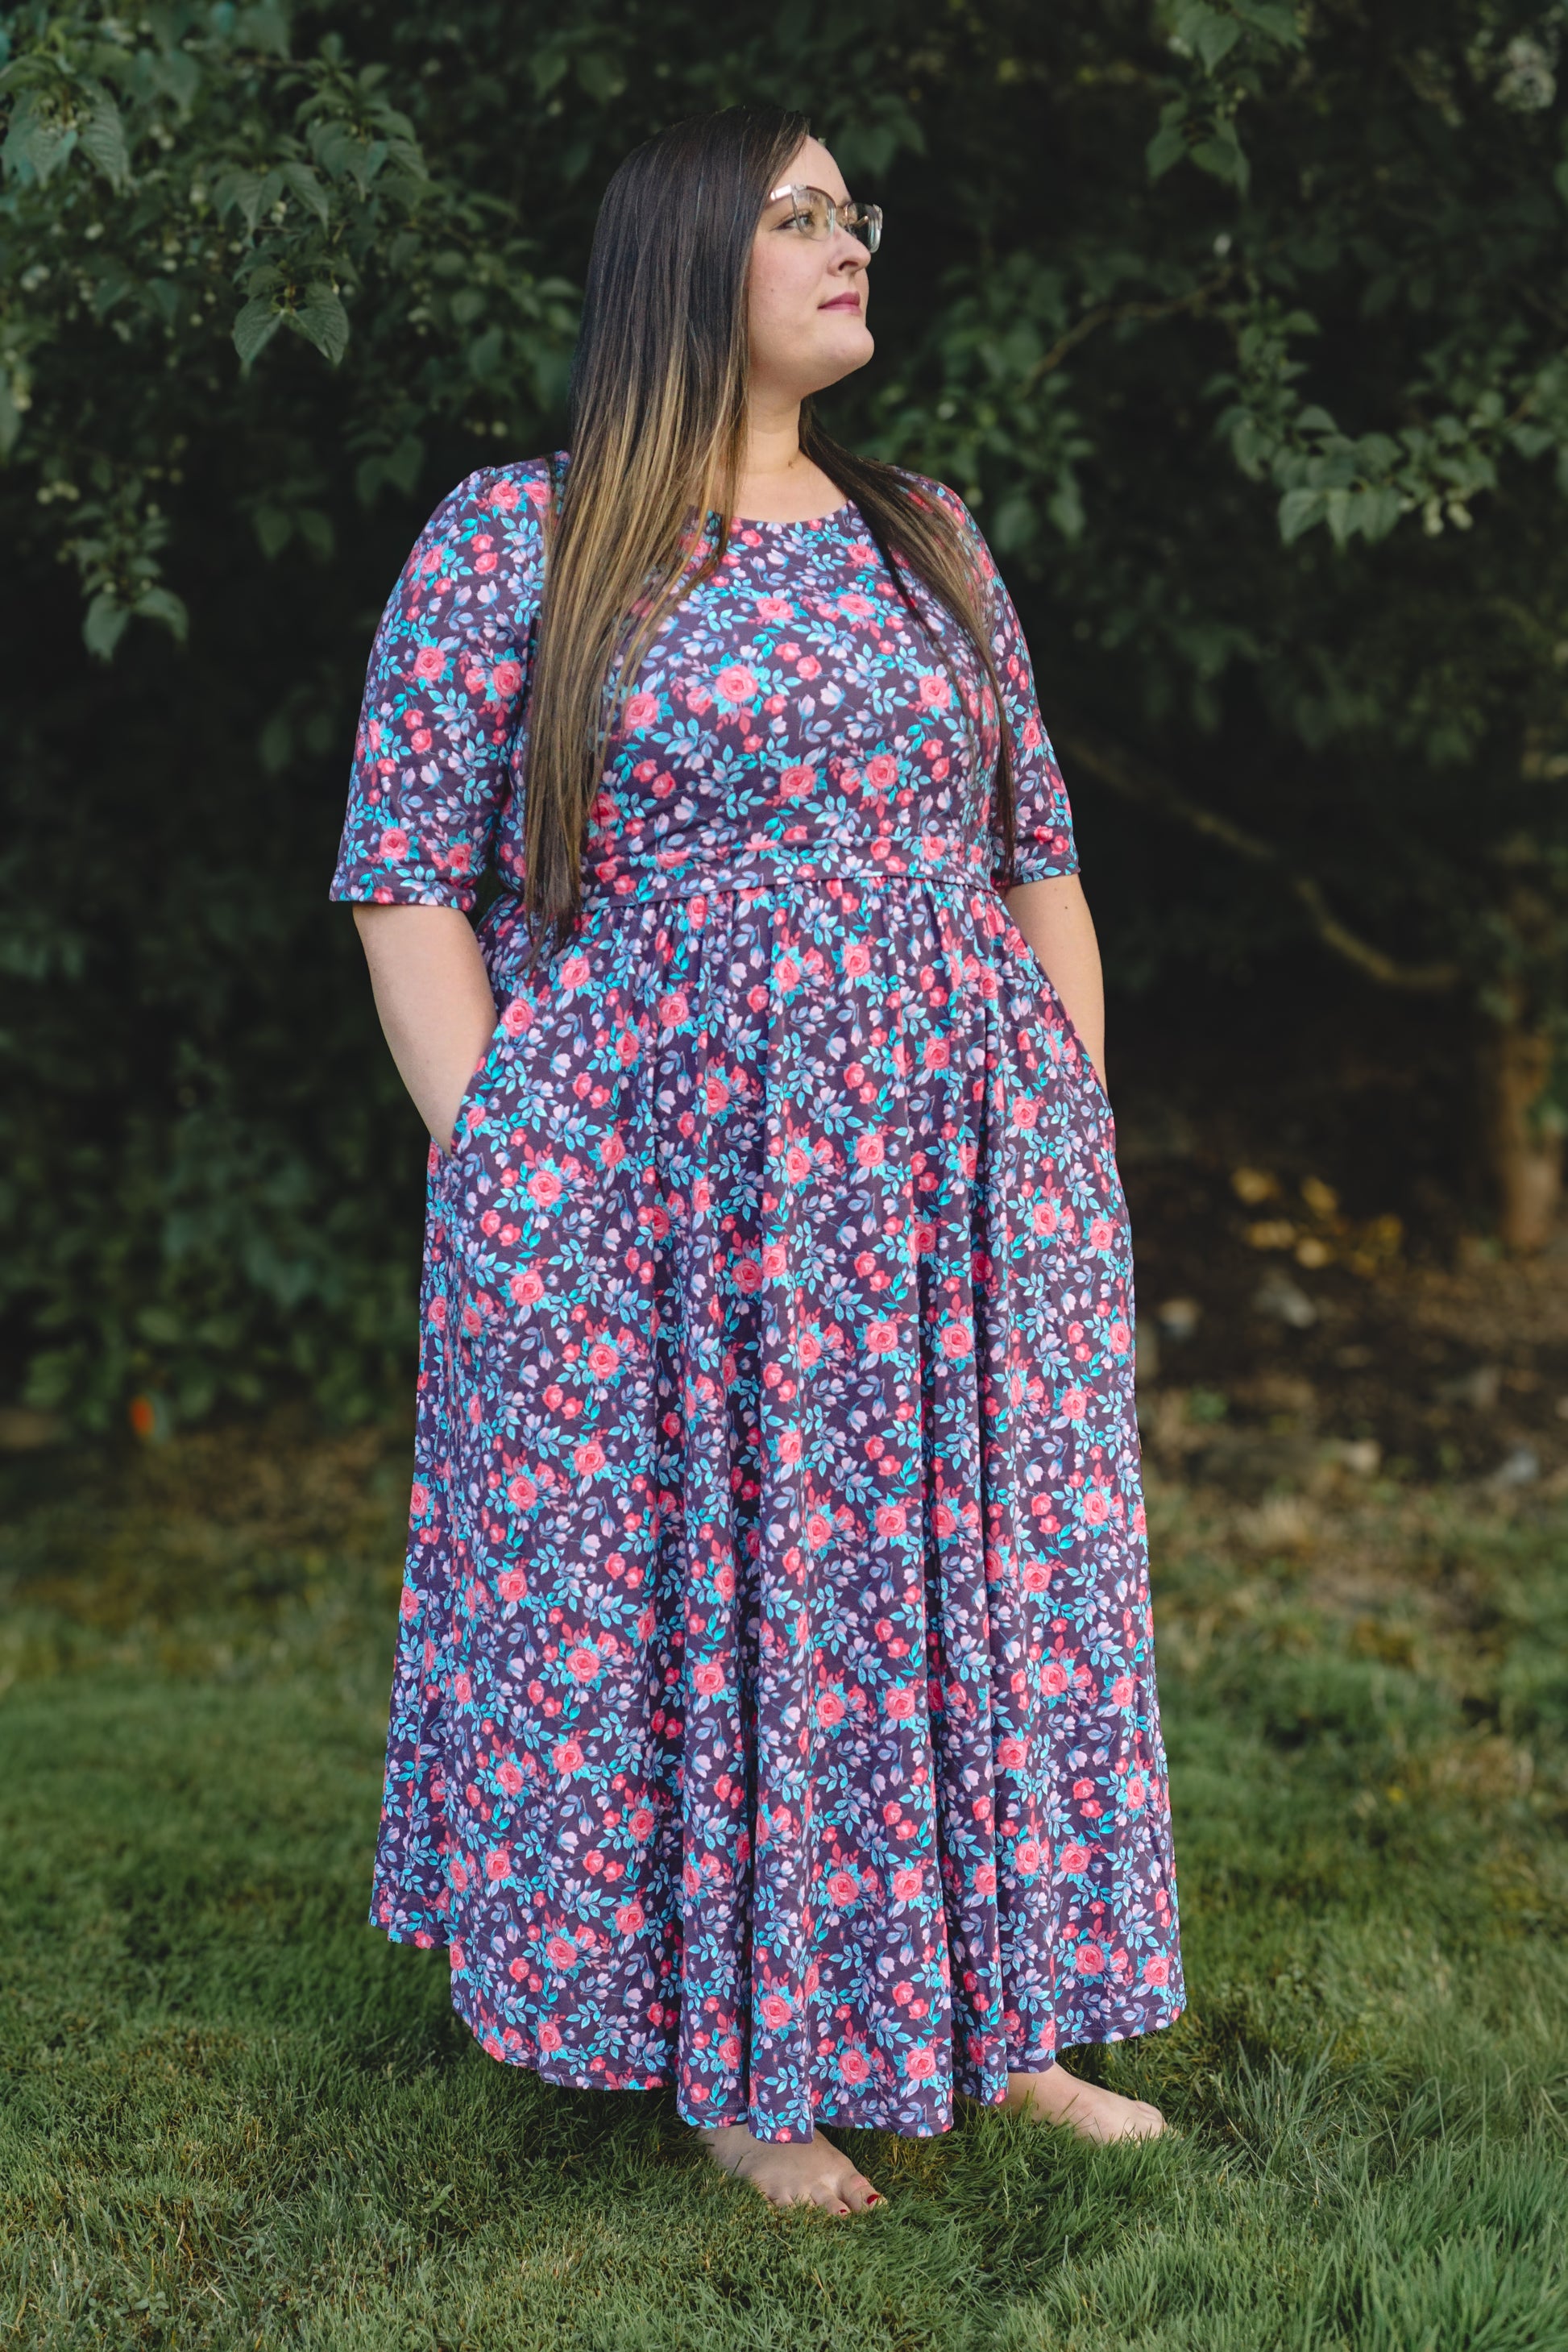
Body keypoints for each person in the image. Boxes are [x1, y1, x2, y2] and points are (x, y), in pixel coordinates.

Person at [331, 103, 1183, 2217]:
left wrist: (1057, 1118)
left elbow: (1032, 855)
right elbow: (404, 879)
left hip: (957, 1176)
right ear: (684, 255)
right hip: (663, 1189)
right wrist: (503, 1153)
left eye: (849, 214)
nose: (847, 245)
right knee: (729, 1606)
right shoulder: (522, 536)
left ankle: (1000, 2031)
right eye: (797, 216)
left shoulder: (928, 535)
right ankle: (745, 2058)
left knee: (979, 1589)